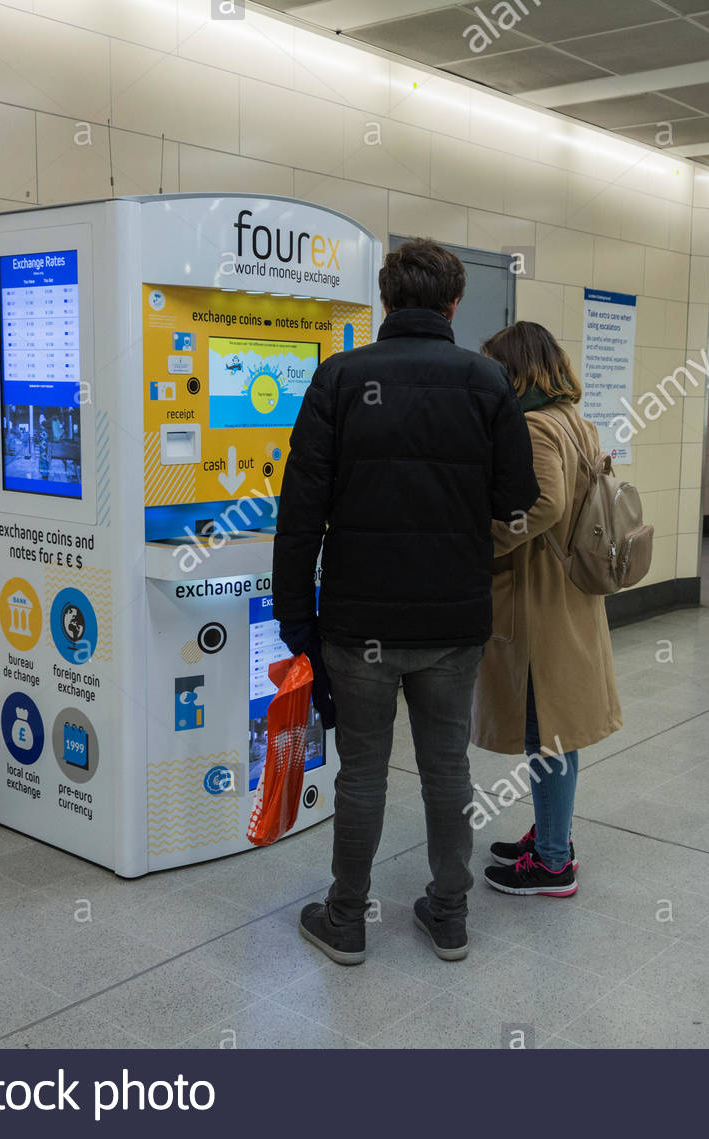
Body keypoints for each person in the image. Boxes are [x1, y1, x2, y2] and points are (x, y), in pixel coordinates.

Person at [273, 239, 540, 965]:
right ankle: (449, 915)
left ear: (386, 301)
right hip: (454, 620)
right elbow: (518, 498)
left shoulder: (339, 378)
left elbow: (300, 512)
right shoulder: (487, 382)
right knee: (446, 766)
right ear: (454, 304)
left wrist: (294, 615)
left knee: (360, 770)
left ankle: (347, 919)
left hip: (358, 621)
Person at [471, 321, 622, 897]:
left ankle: (553, 862)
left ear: (518, 370)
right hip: (568, 595)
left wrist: (483, 545)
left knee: (547, 732)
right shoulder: (574, 421)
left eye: (496, 367)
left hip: (542, 601)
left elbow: (545, 504)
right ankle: (551, 834)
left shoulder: (535, 424)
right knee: (556, 731)